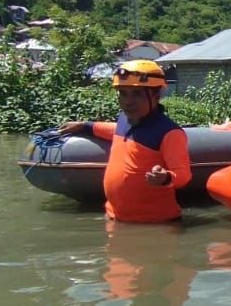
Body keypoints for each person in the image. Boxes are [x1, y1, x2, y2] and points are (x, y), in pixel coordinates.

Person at [59, 60, 191, 223]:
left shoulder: (170, 133)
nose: (128, 101)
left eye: (137, 94)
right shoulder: (124, 120)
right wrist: (85, 126)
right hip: (115, 218)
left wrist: (166, 178)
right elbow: (113, 130)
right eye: (123, 93)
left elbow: (184, 175)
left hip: (156, 224)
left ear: (156, 97)